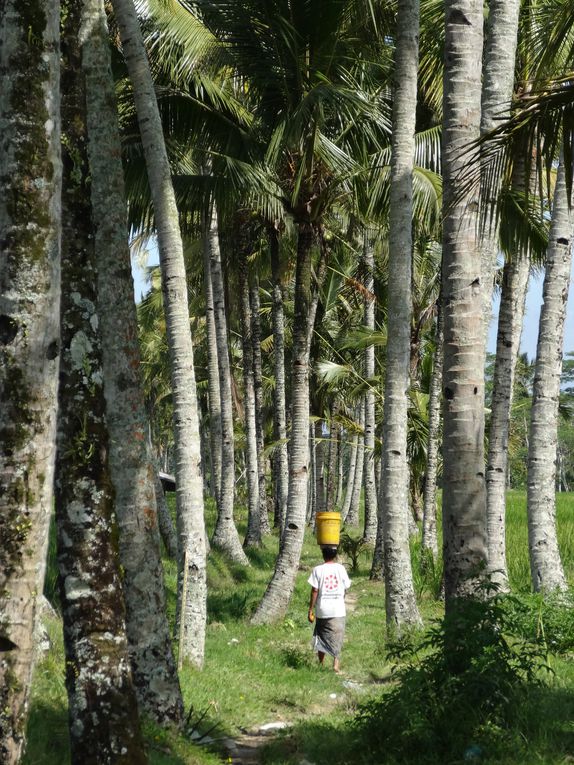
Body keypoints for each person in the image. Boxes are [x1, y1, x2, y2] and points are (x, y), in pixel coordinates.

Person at [307, 545, 351, 673]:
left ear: (323, 555)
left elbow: (315, 590)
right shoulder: (341, 568)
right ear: (335, 555)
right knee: (338, 636)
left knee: (321, 636)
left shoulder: (317, 569)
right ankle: (336, 664)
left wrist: (310, 609)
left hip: (322, 609)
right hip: (338, 609)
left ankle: (320, 663)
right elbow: (346, 585)